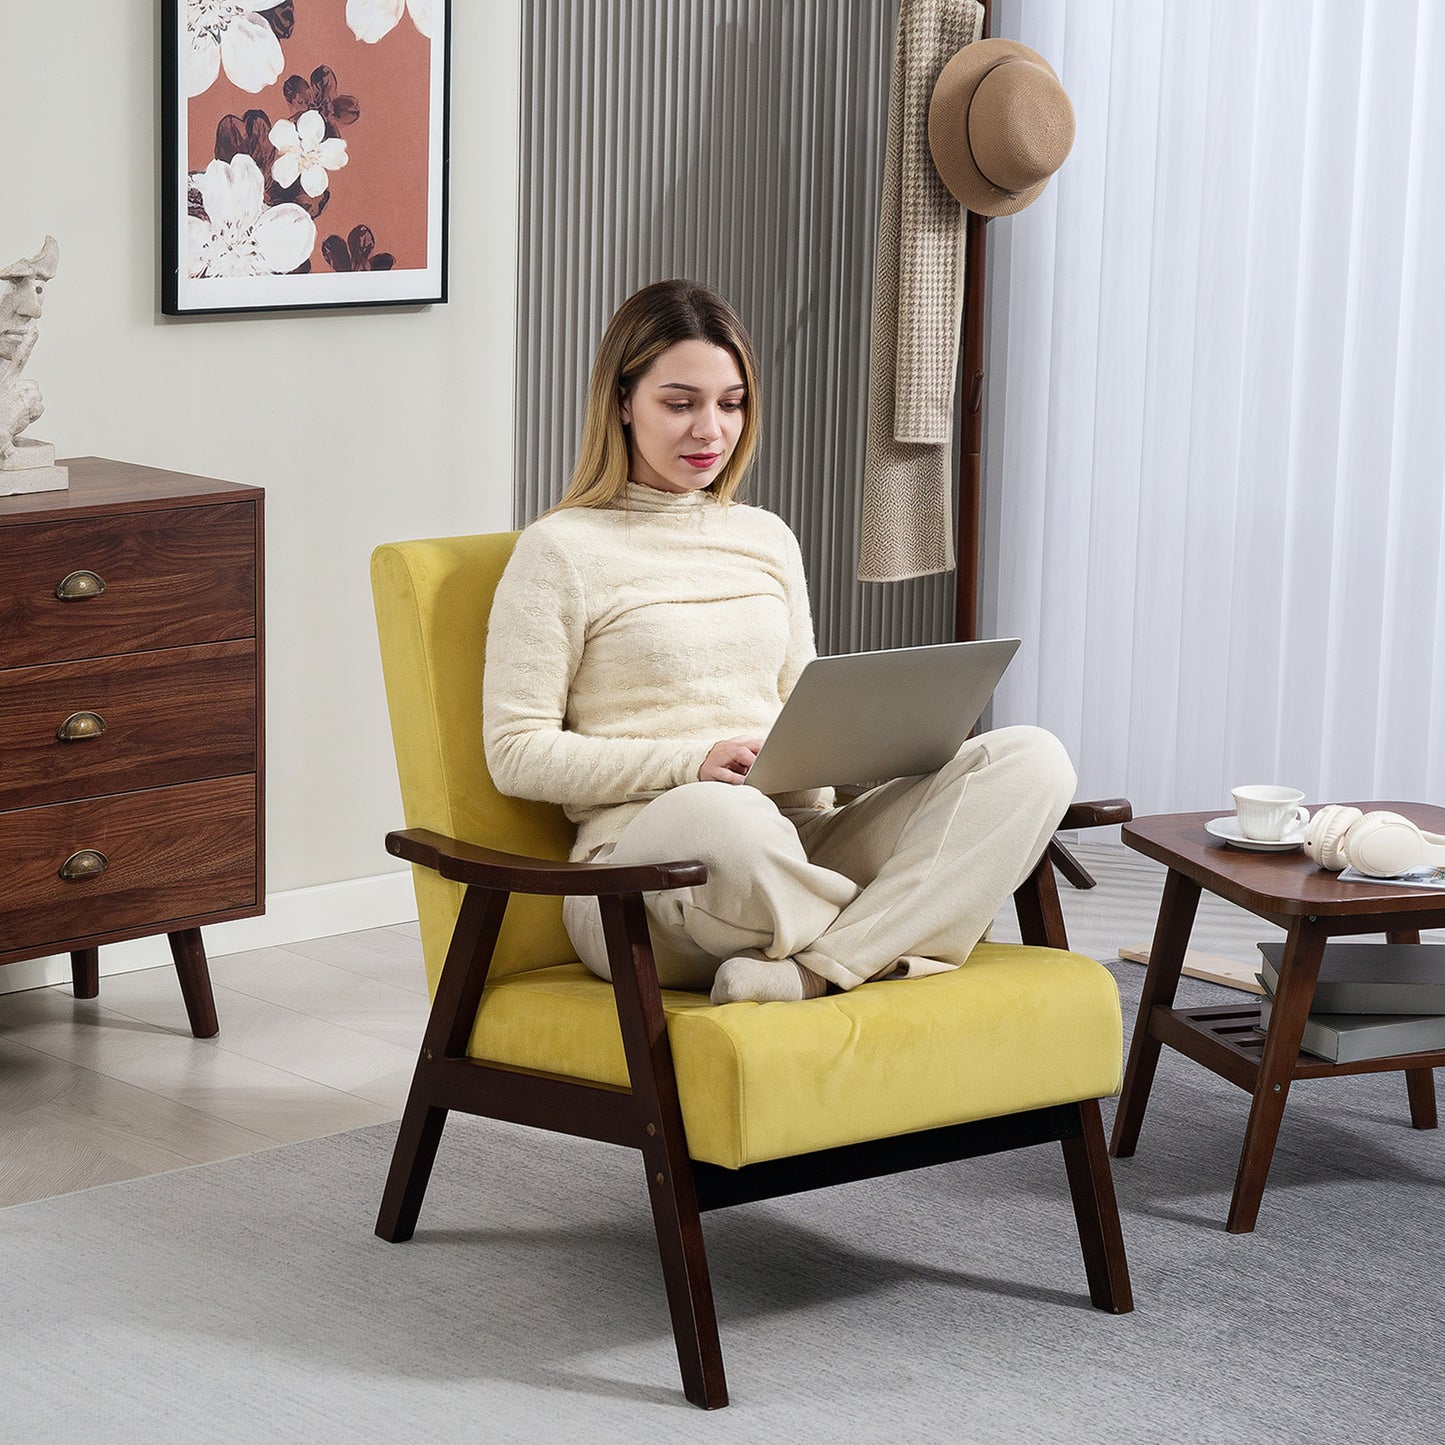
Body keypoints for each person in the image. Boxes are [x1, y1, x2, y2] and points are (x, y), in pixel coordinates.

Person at [483, 279, 1076, 1004]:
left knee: (1031, 758)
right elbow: (516, 753)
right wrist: (691, 763)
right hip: (642, 880)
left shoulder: (765, 537)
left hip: (795, 838)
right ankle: (891, 937)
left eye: (730, 404)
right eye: (680, 404)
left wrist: (894, 753)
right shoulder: (559, 550)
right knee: (722, 814)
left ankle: (815, 969)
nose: (710, 430)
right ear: (622, 402)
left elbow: (803, 707)